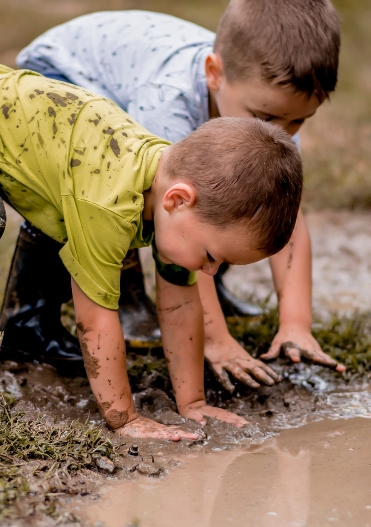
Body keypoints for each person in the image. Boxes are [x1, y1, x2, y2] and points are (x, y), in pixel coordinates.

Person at [12, 0, 346, 387]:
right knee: (102, 201)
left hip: (119, 85)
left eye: (299, 120)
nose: (284, 130)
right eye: (266, 118)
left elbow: (282, 215)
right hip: (62, 78)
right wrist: (215, 340)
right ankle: (39, 318)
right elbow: (178, 218)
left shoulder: (263, 103)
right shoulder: (168, 102)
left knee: (232, 207)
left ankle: (208, 295)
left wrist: (296, 323)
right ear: (214, 73)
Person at [0, 65, 302, 440]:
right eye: (211, 255)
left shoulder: (170, 195)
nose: (210, 271)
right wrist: (125, 419)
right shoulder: (108, 203)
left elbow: (180, 305)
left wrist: (192, 404)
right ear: (179, 199)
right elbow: (94, 320)